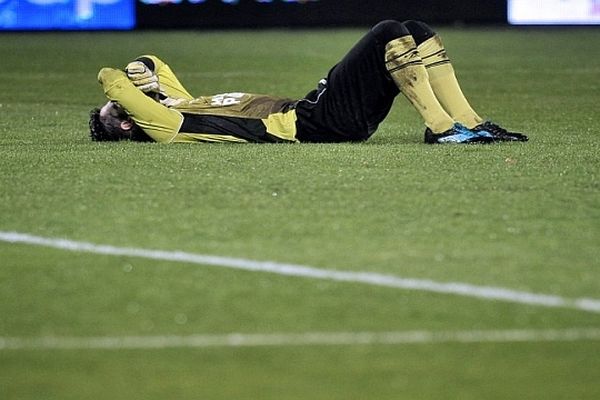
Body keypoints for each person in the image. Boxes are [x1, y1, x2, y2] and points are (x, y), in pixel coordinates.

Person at [89, 20, 527, 144]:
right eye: (120, 110)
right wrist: (124, 79)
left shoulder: (181, 105)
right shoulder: (167, 127)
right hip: (316, 123)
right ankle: (443, 130)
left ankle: (470, 121)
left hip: (322, 115)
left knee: (416, 30)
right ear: (129, 122)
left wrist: (140, 66)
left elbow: (155, 64)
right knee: (387, 33)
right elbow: (114, 84)